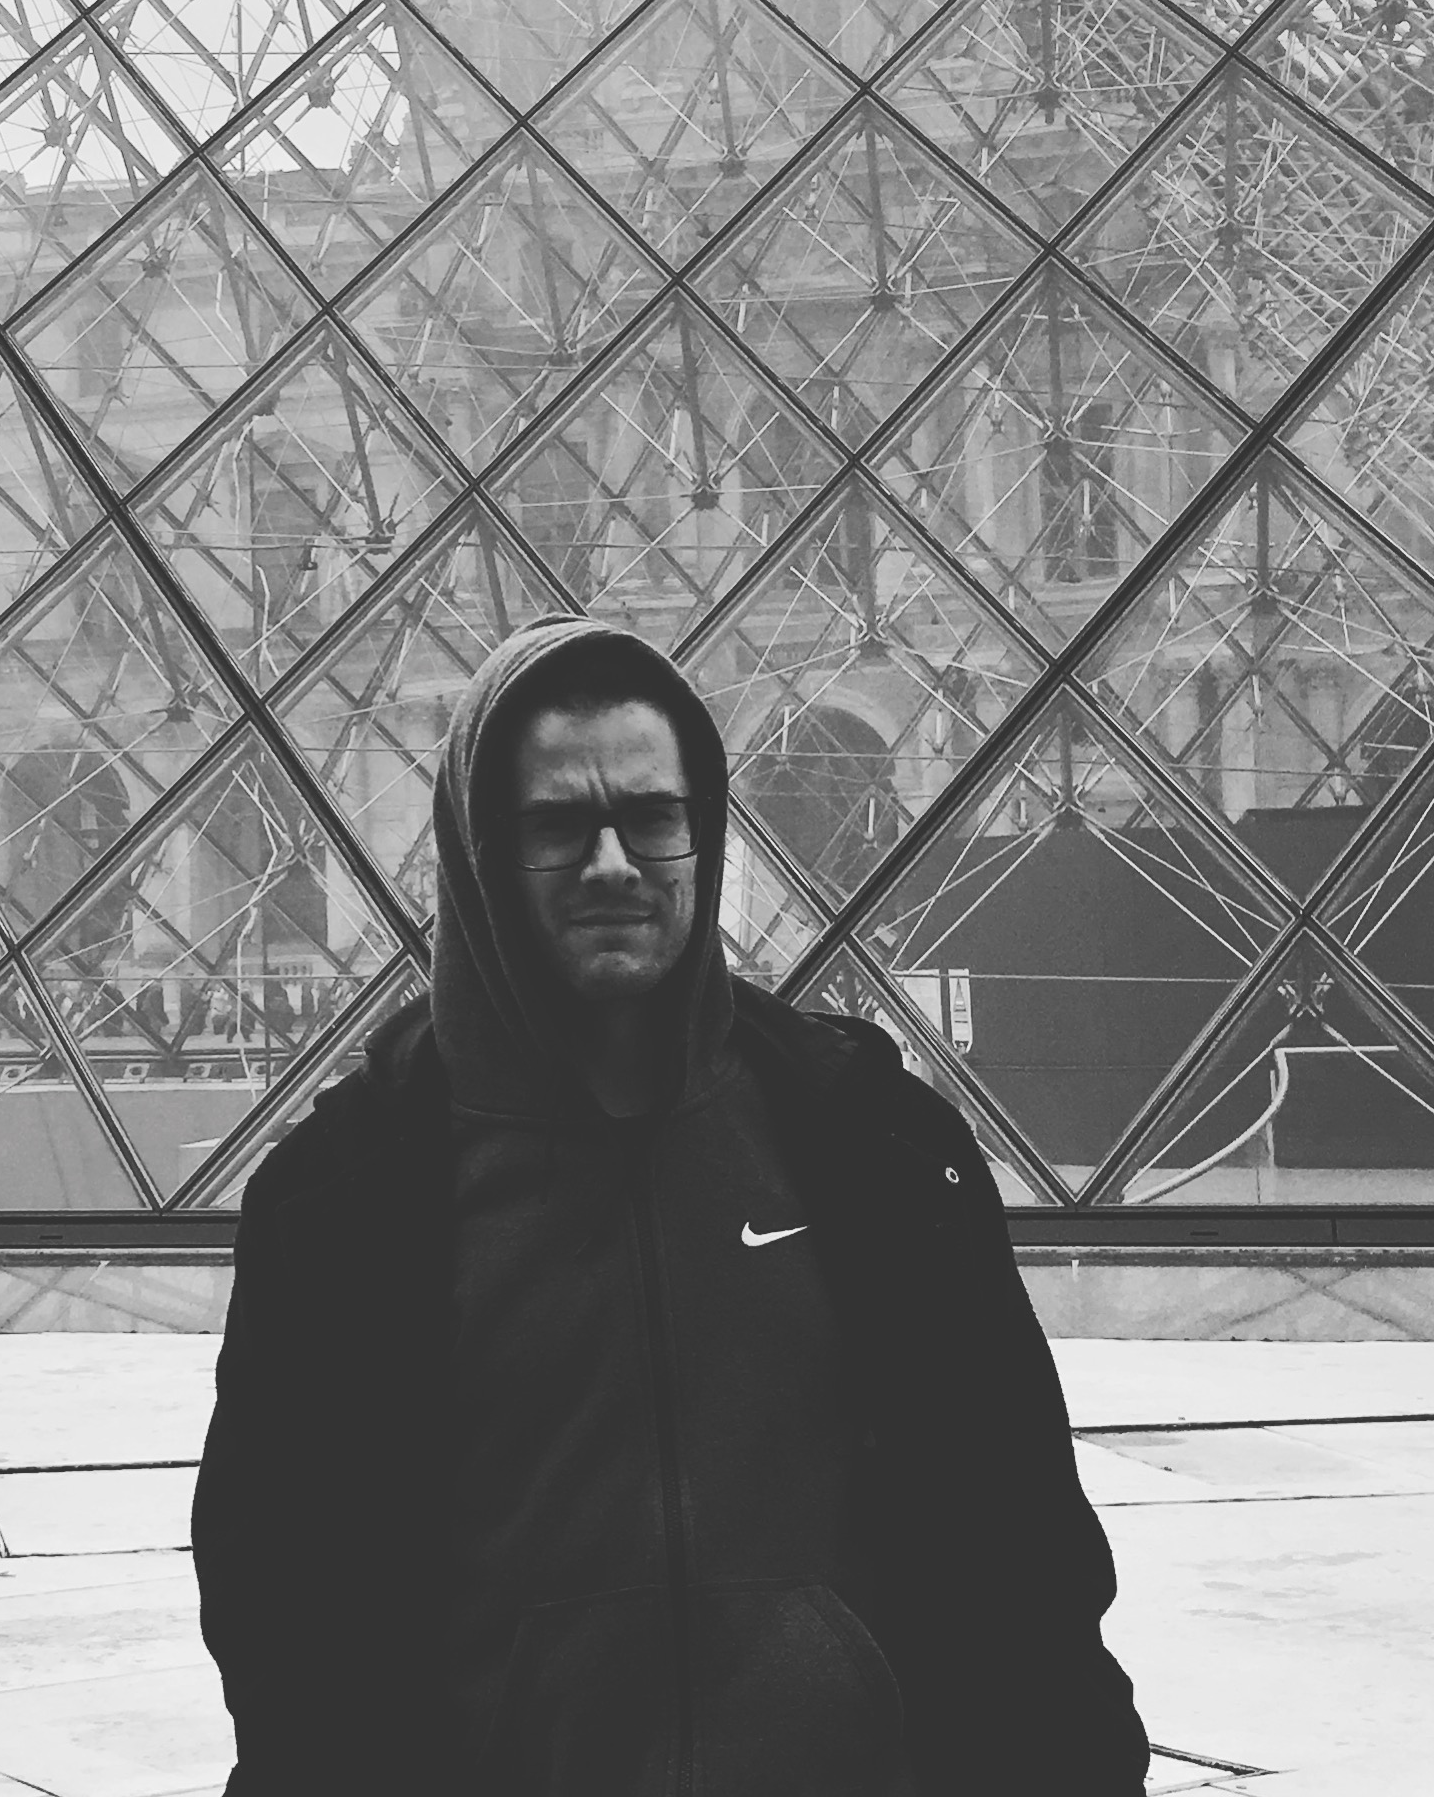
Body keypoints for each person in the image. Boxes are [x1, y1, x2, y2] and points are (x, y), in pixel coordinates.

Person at [193, 617, 1147, 1797]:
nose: (612, 864)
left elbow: (1022, 1546)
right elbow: (281, 1605)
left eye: (650, 817)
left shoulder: (878, 1151)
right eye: (557, 827)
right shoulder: (346, 1202)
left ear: (705, 834)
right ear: (482, 853)